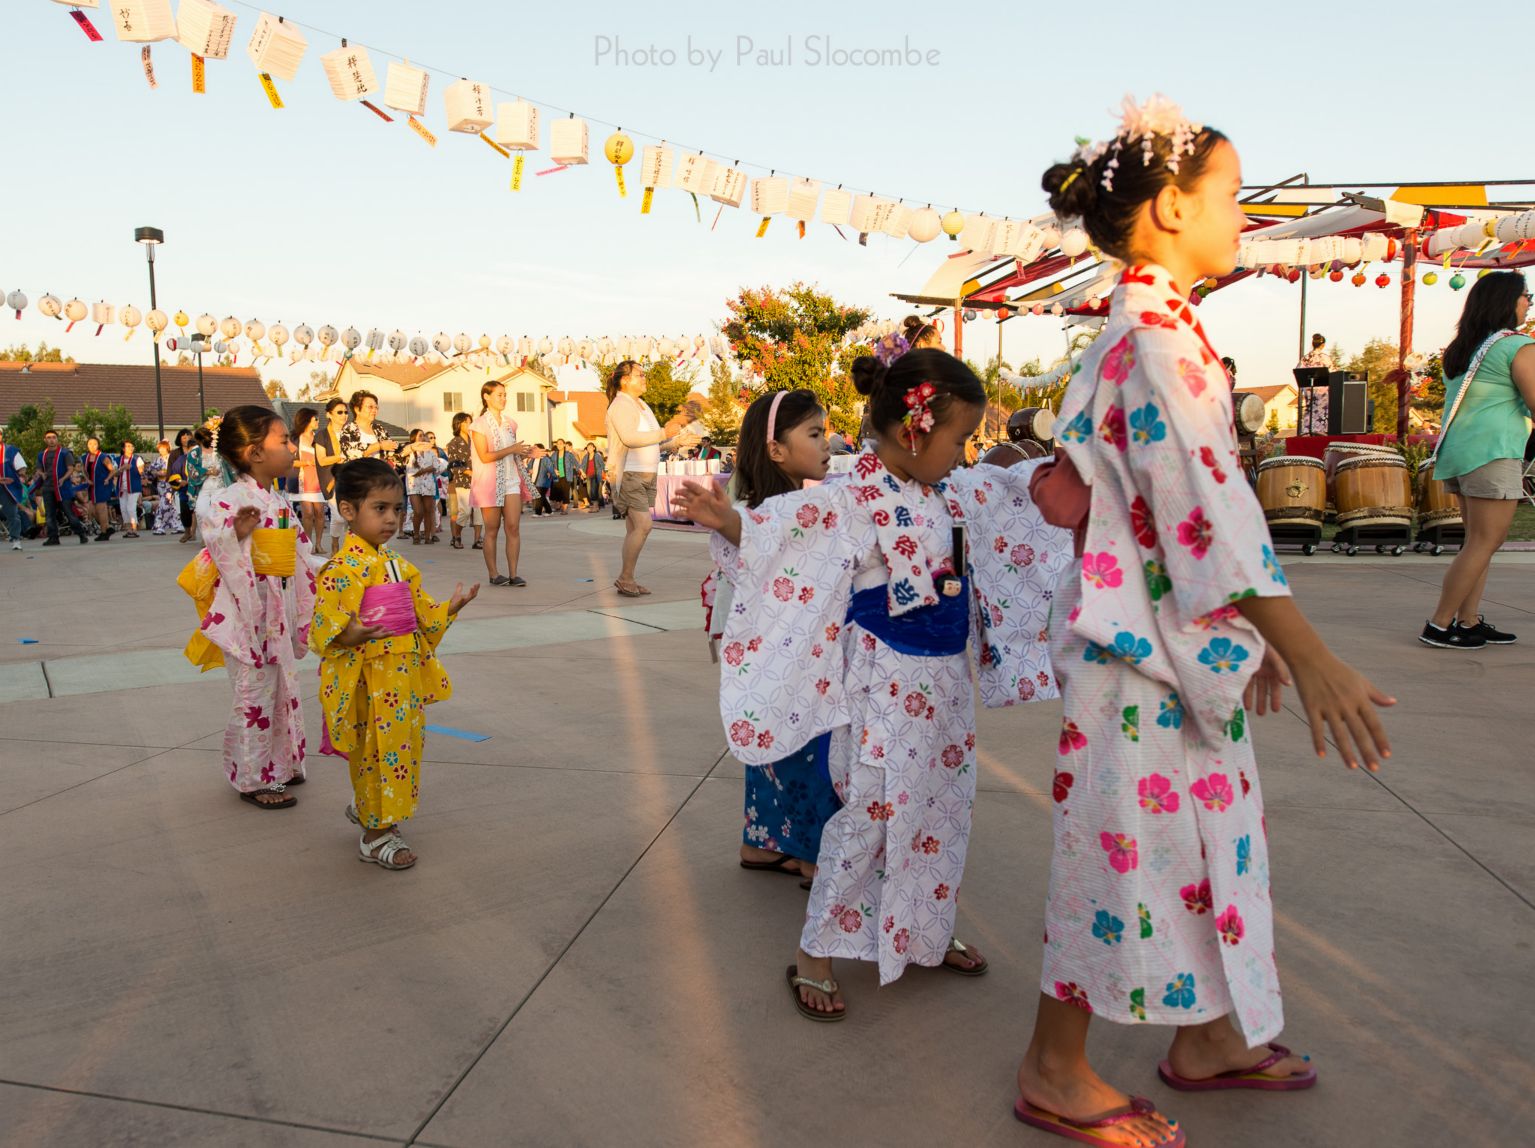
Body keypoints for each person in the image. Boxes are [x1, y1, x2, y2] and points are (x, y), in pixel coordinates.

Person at [1015, 97, 1395, 1148]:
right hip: (1131, 649)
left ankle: (1209, 1034)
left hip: (1171, 639)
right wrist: (1305, 649)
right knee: (1122, 852)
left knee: (1202, 841)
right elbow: (1207, 510)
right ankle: (1052, 1066)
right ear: (1172, 206)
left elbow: (1183, 514)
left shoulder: (1155, 324)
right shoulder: (1150, 336)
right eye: (1231, 197)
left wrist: (1252, 633)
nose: (1245, 217)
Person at [675, 350, 1066, 1022]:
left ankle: (922, 932)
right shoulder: (852, 494)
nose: (962, 451)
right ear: (914, 430)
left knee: (942, 809)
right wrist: (733, 522)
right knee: (872, 813)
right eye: (956, 438)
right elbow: (790, 533)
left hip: (944, 681)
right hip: (882, 682)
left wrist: (1067, 472)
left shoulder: (951, 488)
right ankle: (815, 956)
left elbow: (1017, 502)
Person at [699, 389, 841, 887]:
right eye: (816, 433)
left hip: (763, 654)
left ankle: (760, 844)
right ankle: (810, 852)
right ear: (776, 450)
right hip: (790, 655)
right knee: (807, 749)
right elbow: (754, 539)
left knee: (770, 748)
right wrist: (730, 523)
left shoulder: (779, 501)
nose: (829, 443)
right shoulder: (783, 511)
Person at [310, 457, 478, 870]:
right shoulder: (341, 570)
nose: (391, 519)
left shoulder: (398, 565)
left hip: (400, 679)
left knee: (401, 752)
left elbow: (423, 618)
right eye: (379, 509)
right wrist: (352, 635)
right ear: (348, 511)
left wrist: (449, 608)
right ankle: (375, 834)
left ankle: (370, 809)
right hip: (368, 681)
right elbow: (324, 631)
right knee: (375, 752)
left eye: (397, 509)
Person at [177, 406, 322, 810]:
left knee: (284, 689)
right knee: (254, 694)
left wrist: (328, 573)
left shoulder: (274, 497)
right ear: (256, 453)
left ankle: (283, 763)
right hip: (247, 614)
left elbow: (299, 552)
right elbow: (217, 545)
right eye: (284, 441)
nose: (292, 448)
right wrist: (236, 533)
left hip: (277, 611)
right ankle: (253, 776)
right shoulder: (227, 500)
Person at [1421, 271, 1534, 649]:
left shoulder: (1465, 347)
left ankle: (1467, 621)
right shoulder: (1516, 345)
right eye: (1525, 296)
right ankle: (1439, 624)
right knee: (1486, 541)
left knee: (1478, 541)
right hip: (1493, 451)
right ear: (1506, 301)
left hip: (1460, 452)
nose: (1529, 302)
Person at [604, 360, 693, 596]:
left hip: (646, 472)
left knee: (634, 526)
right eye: (640, 375)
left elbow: (654, 440)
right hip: (629, 472)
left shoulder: (641, 404)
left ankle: (628, 577)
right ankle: (625, 578)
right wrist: (665, 432)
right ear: (625, 380)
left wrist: (675, 442)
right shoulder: (621, 405)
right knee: (644, 525)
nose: (645, 378)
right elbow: (630, 438)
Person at [469, 380, 532, 587]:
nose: (503, 398)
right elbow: (485, 456)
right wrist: (513, 449)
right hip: (489, 482)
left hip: (511, 479)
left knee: (513, 527)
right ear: (486, 397)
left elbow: (514, 451)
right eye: (499, 395)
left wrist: (527, 452)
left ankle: (514, 574)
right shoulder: (478, 425)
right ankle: (494, 573)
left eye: (505, 395)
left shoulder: (510, 423)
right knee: (492, 528)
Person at [37, 431, 87, 546]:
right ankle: (53, 537)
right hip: (48, 487)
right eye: (48, 438)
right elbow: (39, 468)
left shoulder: (65, 453)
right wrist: (41, 474)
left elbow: (70, 468)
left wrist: (64, 478)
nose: (51, 440)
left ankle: (81, 534)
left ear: (57, 439)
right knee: (49, 515)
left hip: (62, 488)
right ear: (45, 440)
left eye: (53, 437)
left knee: (69, 513)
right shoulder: (42, 454)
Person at [290, 408, 328, 554]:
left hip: (318, 480)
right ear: (306, 420)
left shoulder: (320, 437)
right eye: (315, 419)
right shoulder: (295, 438)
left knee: (319, 513)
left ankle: (318, 544)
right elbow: (290, 461)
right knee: (307, 513)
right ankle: (308, 544)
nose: (318, 421)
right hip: (302, 480)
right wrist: (306, 463)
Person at [315, 397, 350, 554]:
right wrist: (341, 456)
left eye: (346, 412)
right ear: (329, 414)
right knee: (338, 516)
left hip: (350, 478)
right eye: (340, 412)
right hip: (331, 480)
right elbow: (322, 460)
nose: (344, 415)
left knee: (353, 516)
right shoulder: (322, 435)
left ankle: (350, 547)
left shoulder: (351, 433)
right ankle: (335, 544)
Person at [445, 412, 481, 550]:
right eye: (466, 422)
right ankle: (457, 535)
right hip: (462, 482)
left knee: (479, 512)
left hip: (479, 482)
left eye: (470, 421)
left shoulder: (476, 441)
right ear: (458, 424)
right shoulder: (453, 443)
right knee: (465, 511)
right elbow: (454, 465)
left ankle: (477, 540)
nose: (469, 424)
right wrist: (470, 472)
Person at [406, 428, 446, 544]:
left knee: (429, 511)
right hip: (414, 486)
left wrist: (426, 470)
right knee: (418, 511)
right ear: (414, 438)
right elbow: (412, 472)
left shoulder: (430, 453)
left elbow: (437, 468)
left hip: (428, 485)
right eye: (419, 435)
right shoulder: (410, 452)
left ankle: (428, 536)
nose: (422, 437)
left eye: (423, 435)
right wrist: (427, 470)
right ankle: (416, 533)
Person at [338, 390, 399, 464]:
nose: (374, 410)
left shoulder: (379, 429)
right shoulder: (348, 430)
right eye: (370, 407)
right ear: (357, 409)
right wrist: (379, 446)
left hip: (380, 474)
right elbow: (351, 452)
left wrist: (410, 448)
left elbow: (392, 452)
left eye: (376, 407)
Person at [1297, 333, 1334, 434]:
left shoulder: (1305, 358)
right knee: (1323, 409)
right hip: (1322, 390)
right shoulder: (1325, 358)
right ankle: (1321, 430)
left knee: (1310, 408)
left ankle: (1307, 430)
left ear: (1313, 343)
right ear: (1323, 345)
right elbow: (1332, 372)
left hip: (1309, 388)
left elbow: (1299, 371)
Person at [83, 436, 117, 542]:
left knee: (101, 509)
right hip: (91, 486)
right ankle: (107, 528)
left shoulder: (103, 457)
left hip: (102, 484)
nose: (92, 446)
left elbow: (112, 470)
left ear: (98, 445)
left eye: (94, 444)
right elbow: (84, 470)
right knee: (92, 510)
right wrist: (86, 479)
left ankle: (103, 532)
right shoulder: (85, 457)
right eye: (90, 444)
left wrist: (107, 479)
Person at [181, 425, 212, 543]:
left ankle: (213, 538)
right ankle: (205, 536)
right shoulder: (194, 453)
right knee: (201, 511)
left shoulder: (220, 451)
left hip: (220, 485)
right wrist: (207, 471)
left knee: (219, 512)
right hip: (202, 486)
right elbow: (192, 470)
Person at [0, 426, 28, 550]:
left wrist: (21, 476)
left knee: (12, 513)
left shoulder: (11, 450)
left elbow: (21, 467)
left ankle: (16, 539)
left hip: (8, 487)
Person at [145, 440, 180, 535]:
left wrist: (167, 473)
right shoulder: (158, 460)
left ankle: (159, 525)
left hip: (170, 483)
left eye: (163, 448)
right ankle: (178, 524)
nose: (162, 450)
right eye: (160, 448)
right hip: (161, 484)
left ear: (167, 448)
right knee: (169, 504)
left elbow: (176, 469)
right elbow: (150, 471)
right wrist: (157, 473)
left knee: (165, 504)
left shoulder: (171, 458)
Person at [112, 441, 144, 538]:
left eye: (132, 446)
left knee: (131, 508)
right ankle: (128, 529)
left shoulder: (137, 459)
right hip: (122, 488)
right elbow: (114, 473)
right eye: (128, 446)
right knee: (123, 508)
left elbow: (141, 472)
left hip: (134, 487)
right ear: (123, 449)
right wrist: (122, 468)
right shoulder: (117, 460)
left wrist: (132, 468)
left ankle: (134, 529)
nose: (130, 448)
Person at [580, 441, 606, 510]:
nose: (589, 449)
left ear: (594, 448)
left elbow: (603, 465)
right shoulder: (586, 456)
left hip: (596, 475)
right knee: (589, 492)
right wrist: (582, 474)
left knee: (594, 491)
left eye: (591, 447)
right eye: (588, 447)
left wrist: (605, 473)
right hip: (588, 476)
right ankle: (597, 504)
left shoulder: (597, 455)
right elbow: (582, 466)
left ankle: (596, 506)